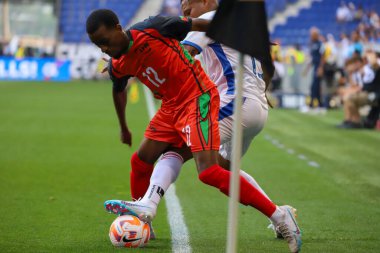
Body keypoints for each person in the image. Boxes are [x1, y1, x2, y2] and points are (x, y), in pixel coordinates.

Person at [89, 4, 301, 253]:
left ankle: (278, 215)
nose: (104, 48)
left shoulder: (155, 27)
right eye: (98, 45)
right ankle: (142, 219)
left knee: (205, 169)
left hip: (200, 98)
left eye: (189, 3)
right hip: (177, 106)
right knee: (142, 160)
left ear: (117, 28)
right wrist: (123, 127)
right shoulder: (118, 63)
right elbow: (118, 89)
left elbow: (193, 35)